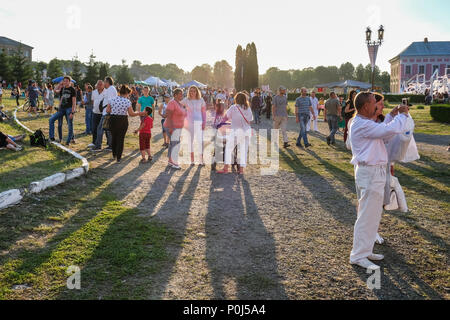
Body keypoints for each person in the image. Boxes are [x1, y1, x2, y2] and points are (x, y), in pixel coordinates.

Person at [348, 91, 410, 270]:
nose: (377, 106)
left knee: (373, 216)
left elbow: (383, 131)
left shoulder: (366, 123)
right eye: (375, 103)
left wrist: (392, 114)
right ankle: (358, 255)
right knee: (366, 217)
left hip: (374, 172)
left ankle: (365, 251)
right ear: (366, 106)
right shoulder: (361, 124)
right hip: (369, 173)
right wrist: (402, 115)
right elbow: (387, 130)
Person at [217, 92, 253, 175]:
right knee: (243, 151)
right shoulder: (248, 108)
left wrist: (220, 123)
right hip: (246, 132)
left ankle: (226, 167)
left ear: (236, 99)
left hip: (236, 132)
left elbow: (226, 117)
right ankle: (241, 170)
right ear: (245, 99)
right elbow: (250, 120)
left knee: (229, 149)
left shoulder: (233, 107)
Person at [105, 85, 142, 163]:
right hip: (123, 120)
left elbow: (107, 110)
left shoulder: (112, 100)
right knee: (120, 139)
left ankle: (114, 155)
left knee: (114, 137)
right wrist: (139, 113)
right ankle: (118, 158)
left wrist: (114, 110)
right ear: (127, 93)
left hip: (113, 119)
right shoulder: (127, 101)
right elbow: (131, 114)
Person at [181, 86, 207, 166]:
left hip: (199, 122)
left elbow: (204, 112)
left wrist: (204, 122)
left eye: (194, 91)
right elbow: (178, 105)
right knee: (190, 141)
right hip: (190, 123)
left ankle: (201, 160)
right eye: (191, 91)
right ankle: (192, 160)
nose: (192, 92)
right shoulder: (186, 100)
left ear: (197, 92)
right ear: (189, 92)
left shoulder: (201, 100)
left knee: (200, 141)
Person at [163, 88, 187, 170]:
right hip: (172, 127)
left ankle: (170, 160)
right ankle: (174, 161)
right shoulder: (172, 103)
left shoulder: (179, 103)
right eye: (180, 94)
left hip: (177, 127)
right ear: (175, 95)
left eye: (182, 94)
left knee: (173, 144)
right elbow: (168, 115)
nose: (182, 95)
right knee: (176, 144)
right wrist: (171, 127)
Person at [50, 76, 76, 145]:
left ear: (70, 82)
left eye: (67, 81)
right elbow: (55, 91)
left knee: (70, 125)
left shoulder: (72, 90)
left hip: (69, 109)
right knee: (52, 120)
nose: (65, 82)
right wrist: (59, 84)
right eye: (64, 81)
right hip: (61, 109)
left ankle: (68, 141)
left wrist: (72, 112)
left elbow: (74, 102)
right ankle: (53, 138)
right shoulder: (62, 89)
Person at [100, 76, 117, 151]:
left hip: (108, 112)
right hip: (107, 111)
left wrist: (108, 111)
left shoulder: (111, 89)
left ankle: (110, 146)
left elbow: (110, 101)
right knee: (107, 129)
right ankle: (110, 145)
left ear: (107, 82)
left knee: (105, 129)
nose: (104, 83)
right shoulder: (110, 89)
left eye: (104, 81)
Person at [89, 80, 107, 151]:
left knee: (103, 130)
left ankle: (103, 143)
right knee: (94, 128)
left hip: (103, 113)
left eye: (100, 84)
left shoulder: (106, 92)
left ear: (103, 85)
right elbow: (93, 101)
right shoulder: (94, 92)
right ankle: (94, 142)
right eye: (98, 84)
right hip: (95, 112)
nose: (99, 86)